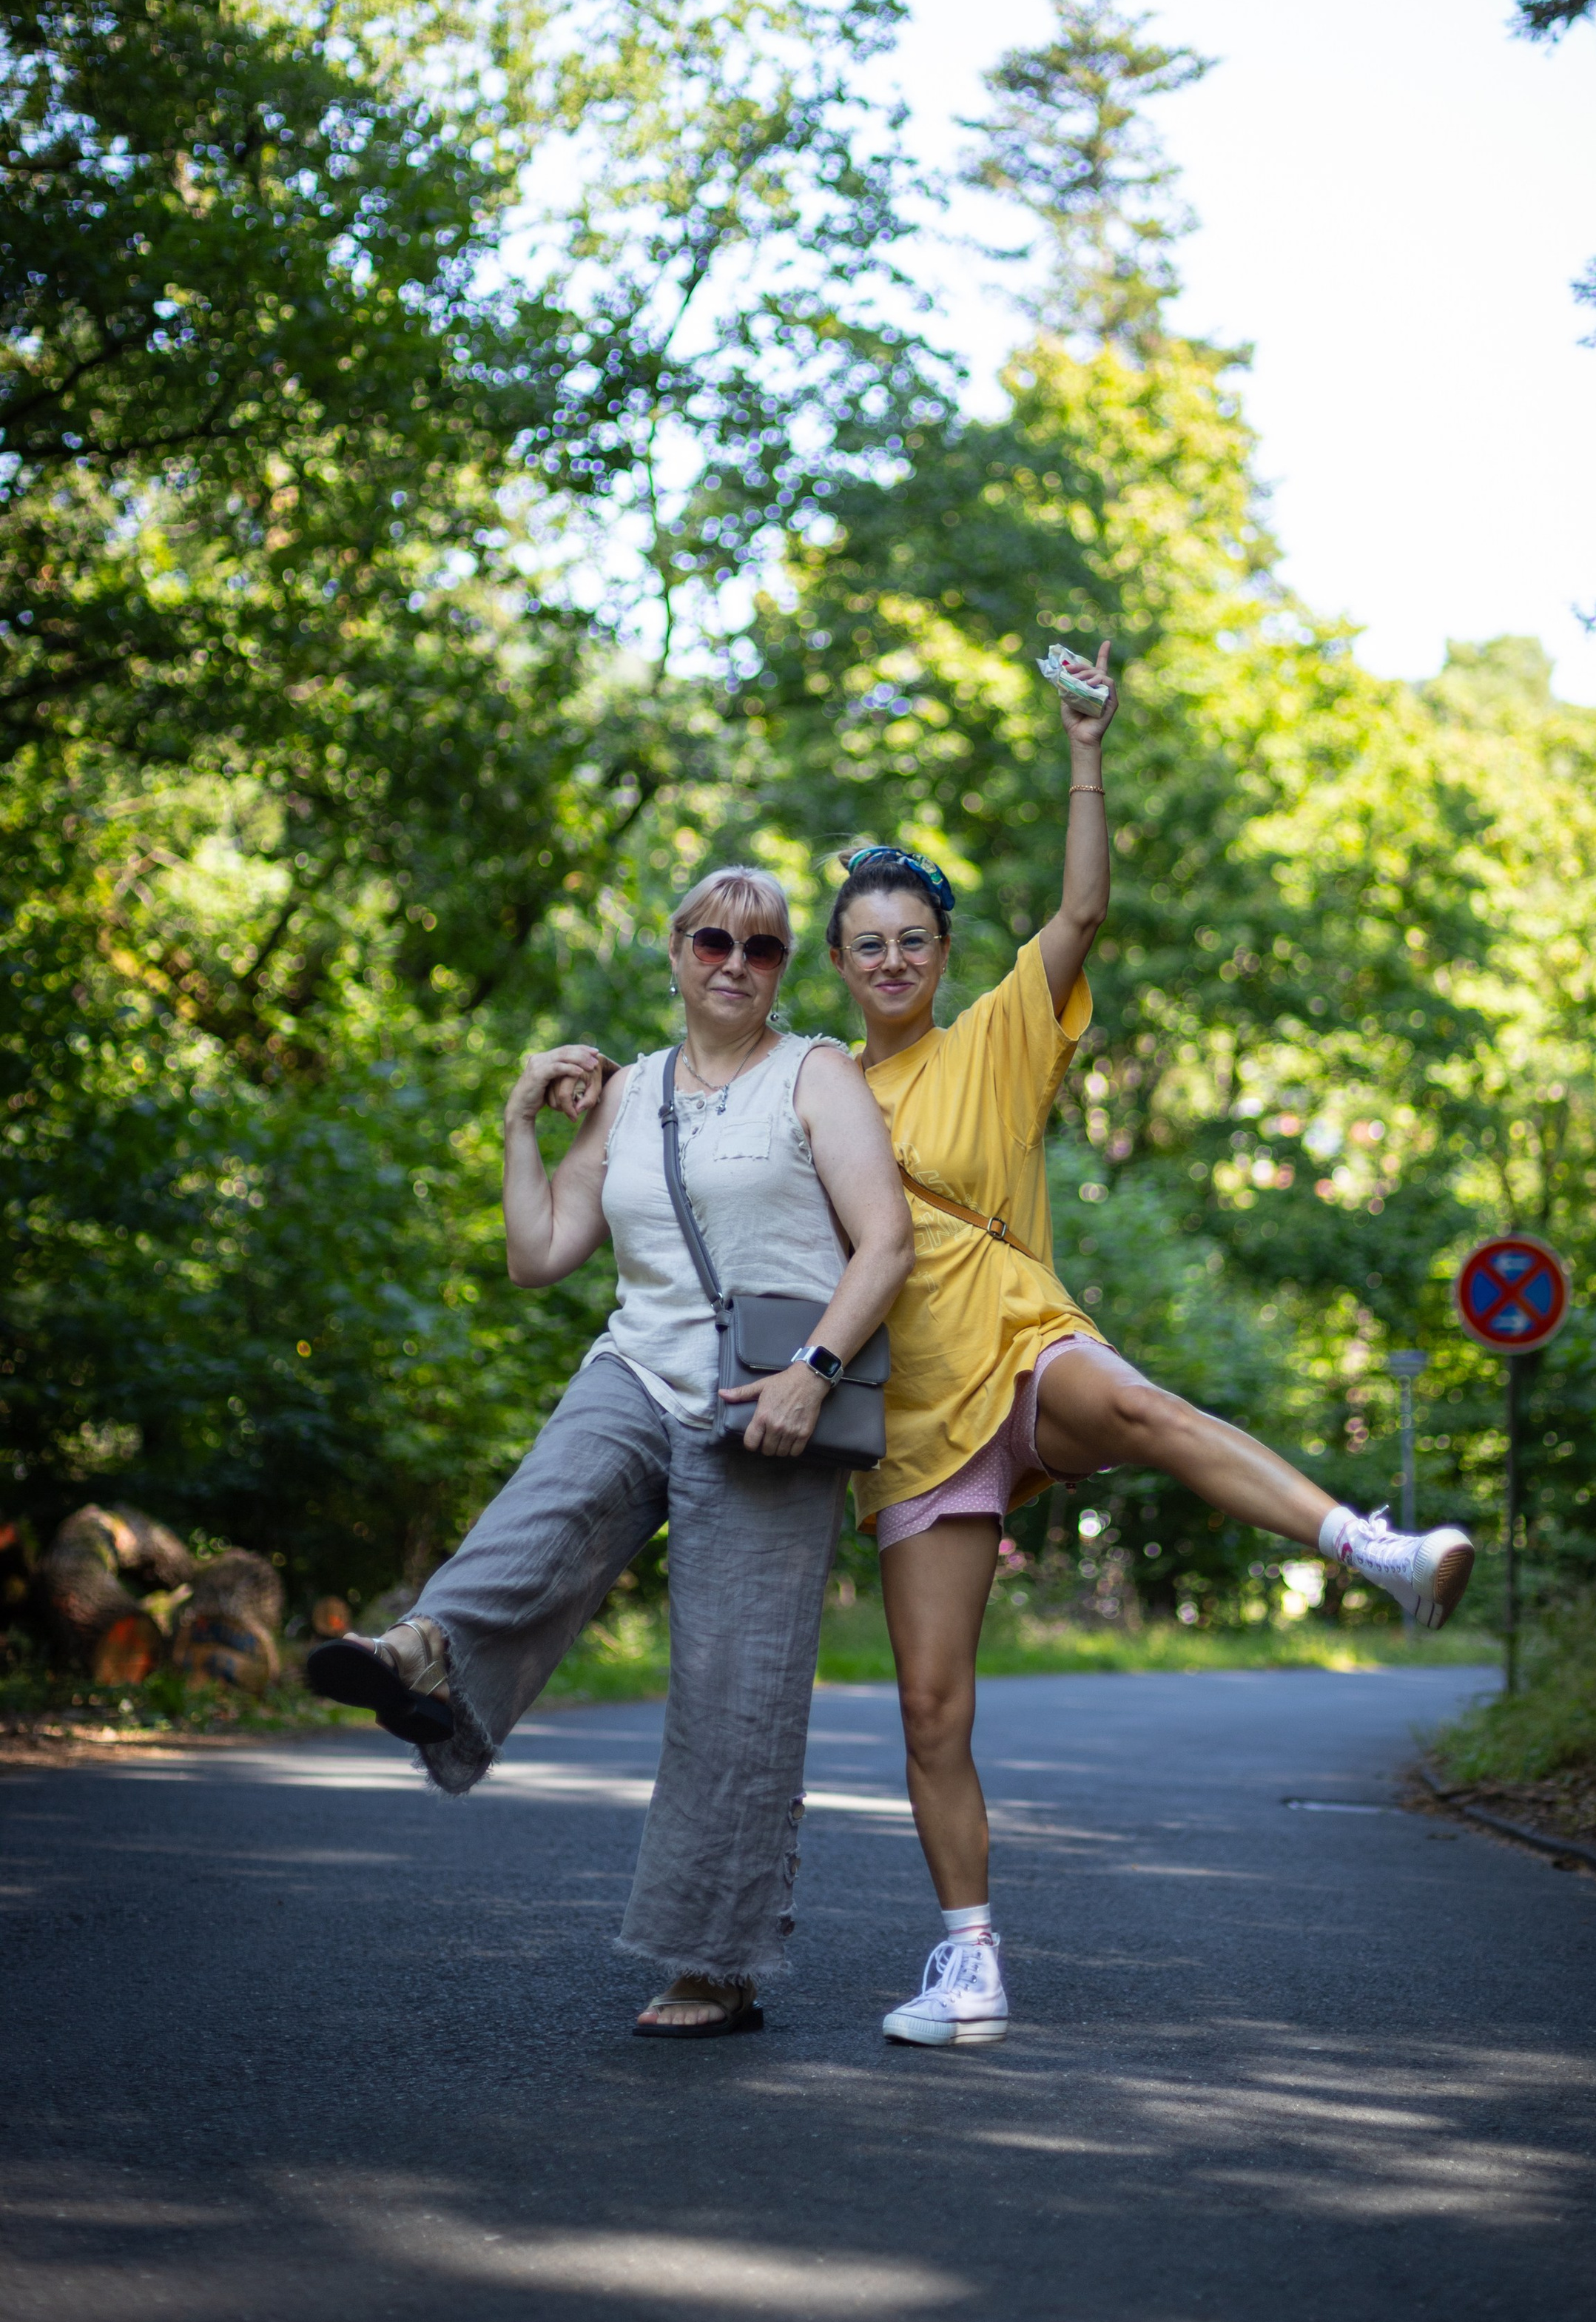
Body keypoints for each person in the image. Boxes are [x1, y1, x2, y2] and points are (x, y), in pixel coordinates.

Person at [827, 644, 1475, 2047]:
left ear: (941, 954)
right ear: (840, 963)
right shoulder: (812, 1091)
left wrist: (1085, 746)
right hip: (906, 1419)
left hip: (1019, 1338)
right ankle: (971, 1963)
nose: (891, 960)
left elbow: (1083, 905)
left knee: (1142, 1407)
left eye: (912, 939)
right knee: (933, 1711)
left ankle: (1375, 1551)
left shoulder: (999, 1030)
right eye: (866, 944)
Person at [308, 866, 913, 2039]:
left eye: (764, 947)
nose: (735, 961)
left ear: (785, 967)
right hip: (639, 1368)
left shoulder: (817, 1073)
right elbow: (539, 1254)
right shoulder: (631, 1093)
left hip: (769, 1401)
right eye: (712, 940)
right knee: (547, 1506)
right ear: (675, 952)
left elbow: (885, 1243)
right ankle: (429, 1652)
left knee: (734, 1695)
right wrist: (516, 1125)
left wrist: (816, 1372)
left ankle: (711, 1965)